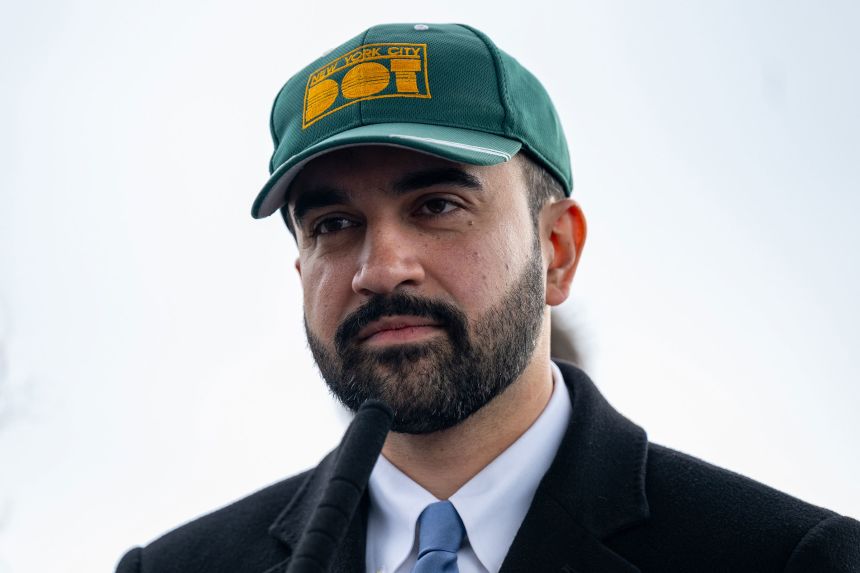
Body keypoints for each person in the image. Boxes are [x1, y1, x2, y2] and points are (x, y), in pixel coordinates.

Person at [116, 23, 860, 573]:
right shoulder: (177, 568)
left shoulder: (789, 560)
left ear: (557, 250)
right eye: (334, 224)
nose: (381, 269)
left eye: (438, 205)